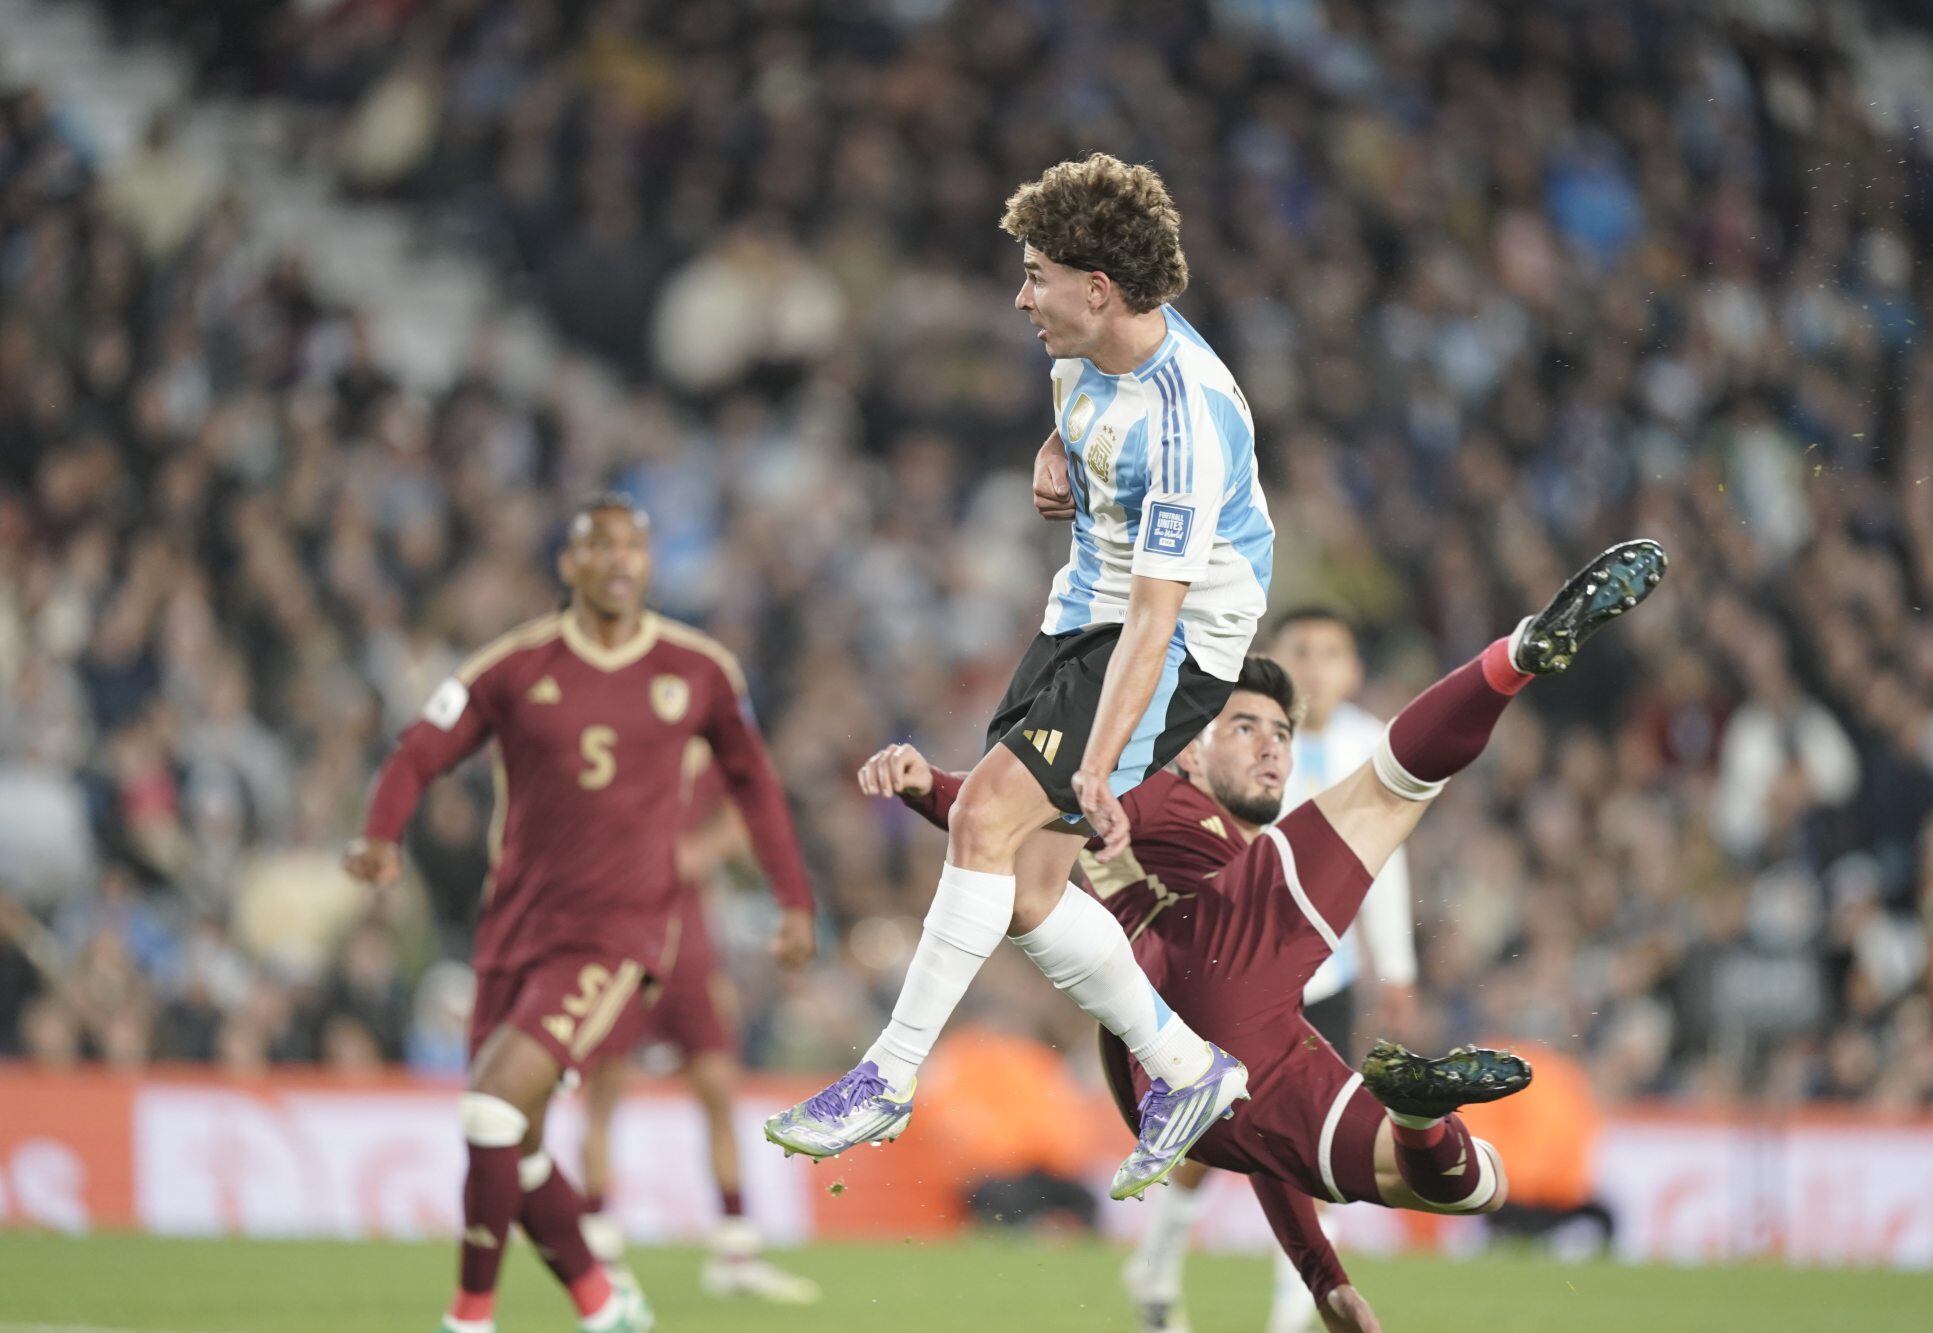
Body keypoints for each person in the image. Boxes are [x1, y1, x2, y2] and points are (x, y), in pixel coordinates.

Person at [861, 541, 1667, 1332]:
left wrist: (1326, 1279)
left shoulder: (1225, 842)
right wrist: (933, 784)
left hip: (1189, 1073)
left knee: (1473, 1183)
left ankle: (1419, 1115)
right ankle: (1519, 654)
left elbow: (1262, 1145)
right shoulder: (1156, 791)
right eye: (1244, 726)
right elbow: (1013, 809)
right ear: (1189, 747)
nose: (1273, 746)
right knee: (1390, 787)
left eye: (1282, 732)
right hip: (1193, 956)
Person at [766, 153, 1276, 1201]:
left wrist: (1098, 764)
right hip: (1077, 614)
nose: (1020, 294)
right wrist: (1056, 449)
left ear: (1098, 287)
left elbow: (1157, 615)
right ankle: (1185, 1069)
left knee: (982, 823)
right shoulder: (1078, 355)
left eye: (1037, 273)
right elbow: (1093, 431)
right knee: (1032, 889)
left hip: (1171, 639)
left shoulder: (1189, 421)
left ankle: (886, 1074)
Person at [344, 495, 816, 1333]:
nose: (620, 560)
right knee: (511, 1142)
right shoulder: (516, 667)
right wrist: (382, 836)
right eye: (601, 546)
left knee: (490, 1107)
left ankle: (469, 1318)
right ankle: (605, 1304)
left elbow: (755, 784)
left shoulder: (698, 668)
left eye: (635, 545)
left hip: (618, 934)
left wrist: (793, 897)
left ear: (649, 562)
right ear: (569, 564)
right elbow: (420, 747)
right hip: (513, 930)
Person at [1128, 607, 1420, 1332]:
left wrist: (1399, 970)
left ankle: (1297, 1309)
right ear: (1274, 662)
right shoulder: (1231, 738)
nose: (1317, 667)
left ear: (1353, 671)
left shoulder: (1366, 743)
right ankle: (1159, 1262)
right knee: (1212, 1140)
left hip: (1327, 978)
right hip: (1232, 974)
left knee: (1297, 1141)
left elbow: (1387, 858)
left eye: (1333, 652)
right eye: (1302, 652)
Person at [577, 743, 821, 1306]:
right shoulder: (615, 741)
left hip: (689, 948)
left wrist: (704, 849)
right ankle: (598, 1247)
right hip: (620, 944)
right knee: (605, 1092)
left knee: (717, 1089)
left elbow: (746, 809)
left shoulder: (706, 751)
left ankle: (736, 1251)